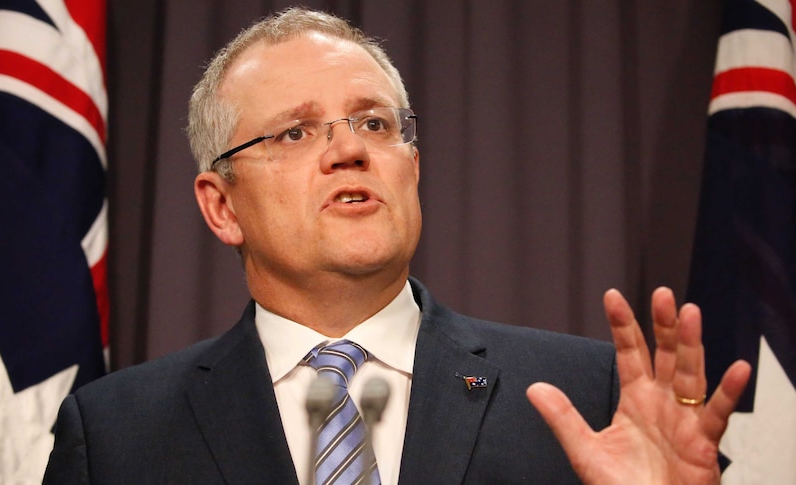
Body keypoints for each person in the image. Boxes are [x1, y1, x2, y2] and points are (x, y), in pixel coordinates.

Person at [43, 7, 751, 485]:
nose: (350, 148)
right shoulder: (114, 436)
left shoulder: (587, 394)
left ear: (411, 164)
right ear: (222, 205)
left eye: (376, 124)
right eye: (296, 132)